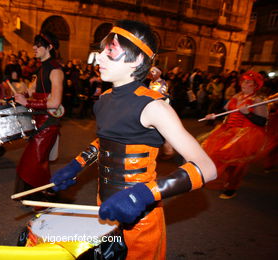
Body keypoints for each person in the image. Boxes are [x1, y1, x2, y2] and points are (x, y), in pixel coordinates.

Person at [50, 20, 217, 259]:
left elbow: (207, 168)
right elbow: (105, 143)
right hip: (104, 208)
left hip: (141, 219)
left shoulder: (153, 106)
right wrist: (75, 165)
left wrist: (141, 195)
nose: (99, 59)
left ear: (138, 59)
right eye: (100, 52)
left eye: (110, 52)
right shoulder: (104, 99)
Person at [201, 71, 268, 199]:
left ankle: (232, 188)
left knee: (238, 164)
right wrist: (213, 115)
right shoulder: (237, 96)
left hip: (246, 135)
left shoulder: (258, 100)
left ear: (255, 85)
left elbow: (262, 121)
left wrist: (247, 113)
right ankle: (219, 180)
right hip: (228, 130)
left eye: (248, 82)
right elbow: (225, 111)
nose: (244, 83)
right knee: (215, 153)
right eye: (243, 81)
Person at [14, 32, 64, 198]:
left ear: (49, 47)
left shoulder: (56, 70)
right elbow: (32, 89)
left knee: (34, 161)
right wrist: (24, 93)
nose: (34, 48)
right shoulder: (42, 68)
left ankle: (42, 196)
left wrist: (26, 102)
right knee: (37, 161)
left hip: (48, 122)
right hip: (38, 119)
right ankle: (45, 193)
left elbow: (55, 102)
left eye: (38, 45)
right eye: (34, 44)